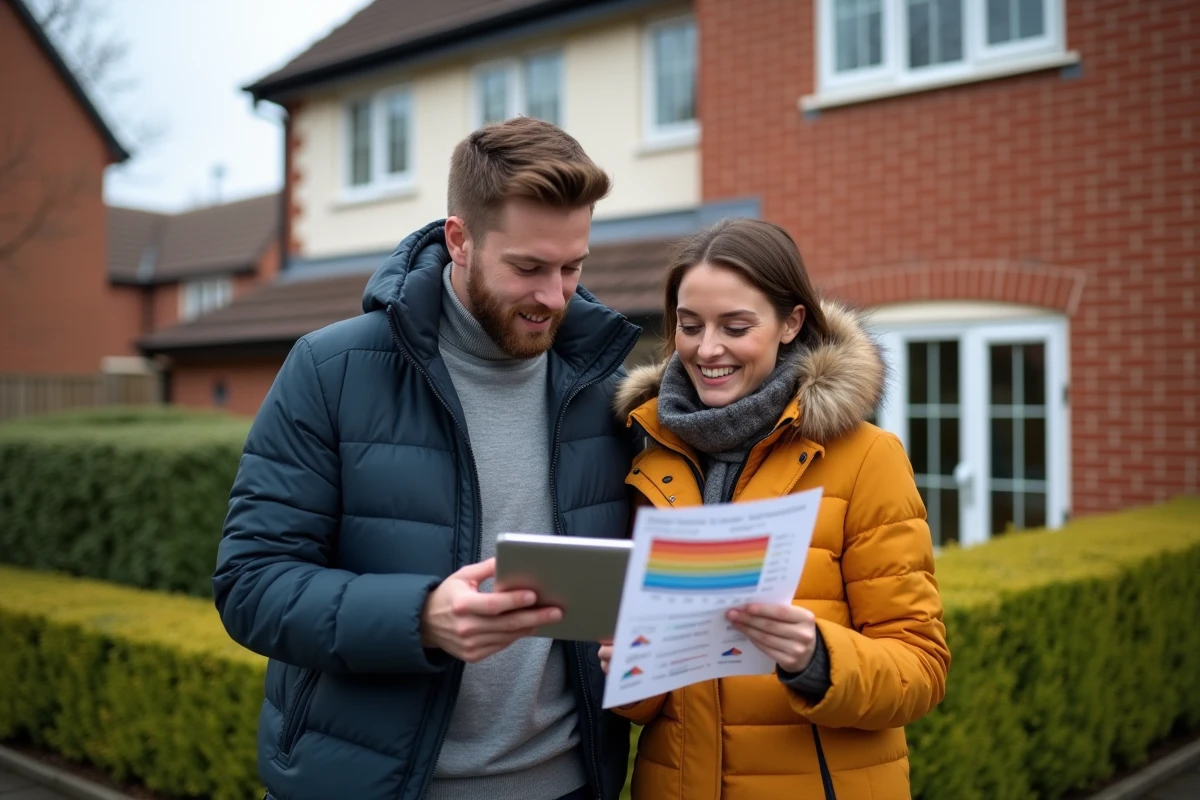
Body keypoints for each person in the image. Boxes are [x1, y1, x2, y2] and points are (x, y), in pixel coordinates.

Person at [213, 117, 641, 800]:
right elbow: (251, 584)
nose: (555, 296)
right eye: (528, 268)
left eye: (572, 267)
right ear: (459, 240)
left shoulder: (610, 390)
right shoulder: (330, 371)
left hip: (569, 787)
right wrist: (418, 618)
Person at [600, 218, 951, 799]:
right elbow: (652, 704)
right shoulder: (649, 454)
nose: (707, 349)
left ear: (791, 323)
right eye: (689, 326)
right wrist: (631, 670)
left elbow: (922, 669)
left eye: (735, 326)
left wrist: (819, 658)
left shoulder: (867, 458)